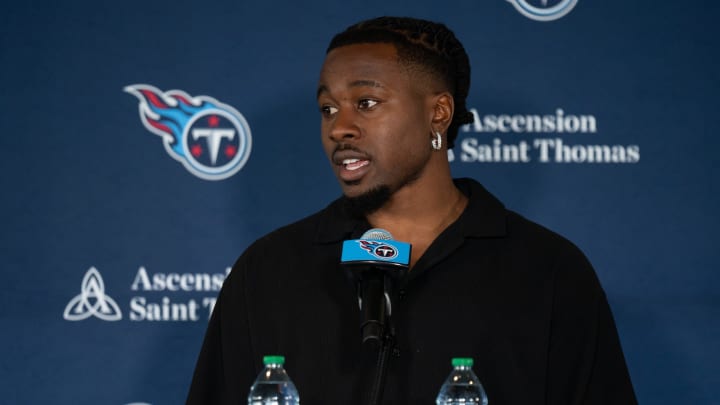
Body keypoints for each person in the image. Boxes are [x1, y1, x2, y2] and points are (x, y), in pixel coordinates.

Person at [186, 16, 637, 404]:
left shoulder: (549, 270)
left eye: (366, 103)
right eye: (327, 108)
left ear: (438, 113)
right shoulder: (266, 270)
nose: (339, 127)